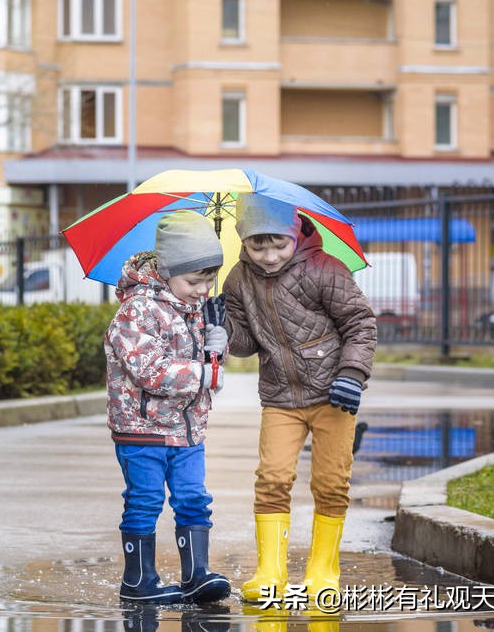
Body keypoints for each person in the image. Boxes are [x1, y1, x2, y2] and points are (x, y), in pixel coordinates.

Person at [220, 193, 377, 603]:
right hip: (280, 396)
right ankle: (269, 571)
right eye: (258, 245)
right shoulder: (237, 279)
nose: (269, 255)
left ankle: (323, 570)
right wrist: (222, 331)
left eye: (279, 243)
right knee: (271, 479)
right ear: (243, 240)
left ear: (295, 234)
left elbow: (360, 324)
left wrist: (352, 374)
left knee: (330, 483)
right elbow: (245, 343)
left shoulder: (326, 269)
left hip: (334, 395)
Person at [104, 209, 231, 605]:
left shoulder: (195, 307)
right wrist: (204, 374)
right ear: (168, 270)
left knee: (194, 497)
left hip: (188, 429)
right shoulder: (138, 309)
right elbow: (149, 370)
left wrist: (217, 343)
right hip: (142, 430)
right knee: (144, 500)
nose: (203, 289)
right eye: (195, 280)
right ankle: (138, 580)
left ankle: (197, 574)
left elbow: (205, 364)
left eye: (209, 279)